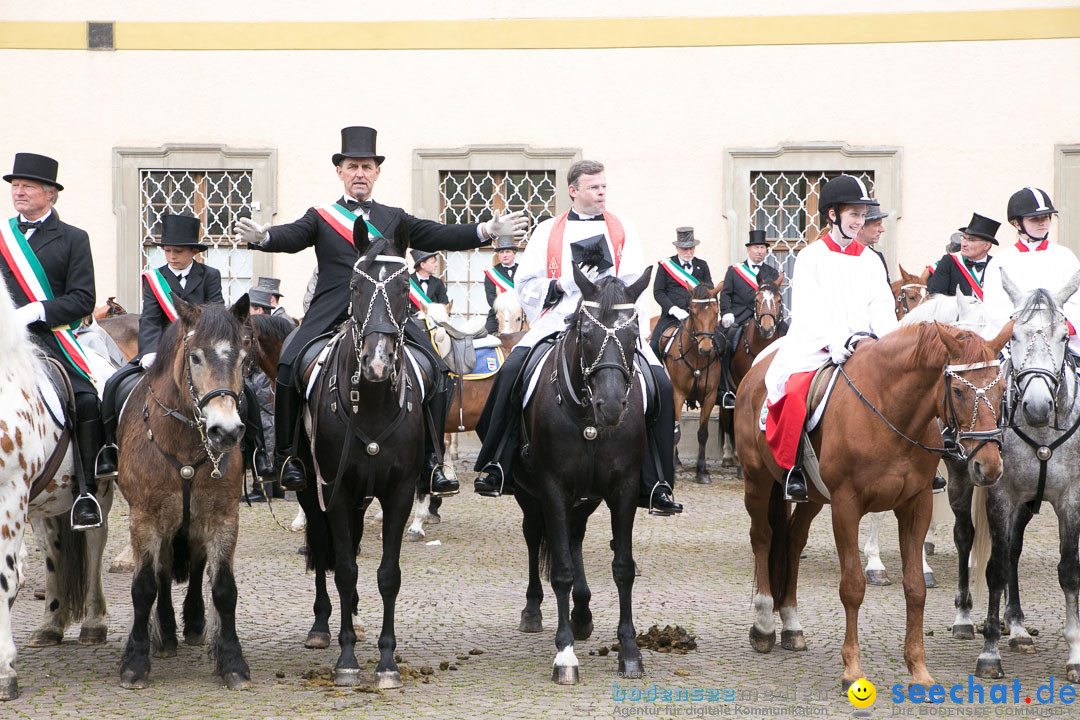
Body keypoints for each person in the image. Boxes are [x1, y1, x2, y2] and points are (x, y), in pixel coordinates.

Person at [235, 126, 527, 495]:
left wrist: (484, 230)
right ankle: (289, 457)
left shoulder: (395, 218)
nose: (360, 173)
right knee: (291, 361)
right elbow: (291, 236)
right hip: (331, 313)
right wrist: (265, 238)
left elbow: (440, 234)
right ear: (340, 171)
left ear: (376, 173)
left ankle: (432, 462)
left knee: (436, 368)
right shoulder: (322, 216)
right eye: (353, 166)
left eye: (367, 167)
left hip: (388, 317)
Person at [473, 159, 682, 515]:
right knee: (510, 373)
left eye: (604, 186)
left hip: (613, 324)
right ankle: (497, 463)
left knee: (660, 383)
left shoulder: (623, 229)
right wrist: (561, 283)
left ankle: (658, 481)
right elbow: (524, 284)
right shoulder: (546, 231)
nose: (602, 193)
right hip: (557, 320)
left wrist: (637, 331)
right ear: (574, 191)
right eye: (594, 187)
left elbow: (636, 283)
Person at [100, 213, 275, 486]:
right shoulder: (154, 279)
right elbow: (149, 319)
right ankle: (108, 450)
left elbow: (216, 313)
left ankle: (259, 456)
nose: (171, 256)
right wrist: (148, 351)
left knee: (248, 393)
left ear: (194, 251)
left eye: (178, 251)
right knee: (115, 383)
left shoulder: (210, 275)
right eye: (167, 250)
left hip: (202, 351)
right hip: (162, 352)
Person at [763, 175, 897, 502]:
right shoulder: (810, 257)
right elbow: (809, 311)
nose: (860, 222)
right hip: (818, 346)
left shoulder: (870, 259)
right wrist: (838, 343)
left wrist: (889, 344)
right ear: (833, 214)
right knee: (795, 391)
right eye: (854, 214)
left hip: (867, 347)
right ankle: (792, 467)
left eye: (863, 215)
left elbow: (881, 307)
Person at [1, 153, 104, 529]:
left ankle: (87, 491)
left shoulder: (74, 238)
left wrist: (38, 311)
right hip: (3, 340)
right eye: (15, 186)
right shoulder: (3, 237)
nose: (18, 192)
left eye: (27, 186)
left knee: (87, 397)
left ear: (50, 194)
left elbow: (82, 298)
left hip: (49, 338)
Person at [983, 187, 1080, 356]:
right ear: (1016, 223)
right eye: (1035, 219)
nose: (1043, 222)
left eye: (1046, 217)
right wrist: (1025, 330)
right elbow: (994, 307)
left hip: (1059, 339)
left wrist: (1063, 328)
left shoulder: (1065, 256)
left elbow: (1076, 300)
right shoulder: (1000, 261)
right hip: (1015, 341)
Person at [717, 230, 781, 409]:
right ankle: (724, 390)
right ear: (749, 250)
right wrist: (727, 312)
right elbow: (725, 294)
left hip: (765, 318)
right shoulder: (734, 271)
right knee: (723, 345)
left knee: (788, 338)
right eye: (756, 247)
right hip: (738, 318)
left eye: (762, 248)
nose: (759, 251)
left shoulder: (772, 273)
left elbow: (777, 299)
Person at [649, 226, 712, 359]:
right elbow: (658, 292)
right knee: (653, 347)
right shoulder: (666, 266)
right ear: (677, 248)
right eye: (685, 248)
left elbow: (709, 289)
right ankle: (656, 378)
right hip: (671, 317)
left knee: (719, 345)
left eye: (691, 248)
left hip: (698, 318)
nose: (689, 252)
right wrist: (673, 309)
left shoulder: (702, 265)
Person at [926, 213, 1000, 299]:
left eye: (971, 240)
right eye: (963, 238)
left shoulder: (996, 265)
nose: (963, 244)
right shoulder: (949, 261)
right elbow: (935, 297)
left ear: (986, 245)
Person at [483, 236, 520, 334]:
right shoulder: (492, 274)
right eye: (501, 252)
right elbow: (491, 299)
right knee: (486, 336)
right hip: (499, 312)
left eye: (508, 251)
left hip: (520, 311)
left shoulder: (523, 271)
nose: (504, 255)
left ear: (514, 254)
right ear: (498, 255)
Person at [856, 205, 891, 286]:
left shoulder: (877, 256)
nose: (882, 230)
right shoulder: (843, 254)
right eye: (877, 224)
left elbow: (886, 293)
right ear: (862, 227)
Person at [408, 249, 449, 316]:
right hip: (412, 323)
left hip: (433, 323)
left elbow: (445, 306)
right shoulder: (407, 282)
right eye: (433, 262)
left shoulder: (438, 283)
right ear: (422, 265)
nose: (436, 265)